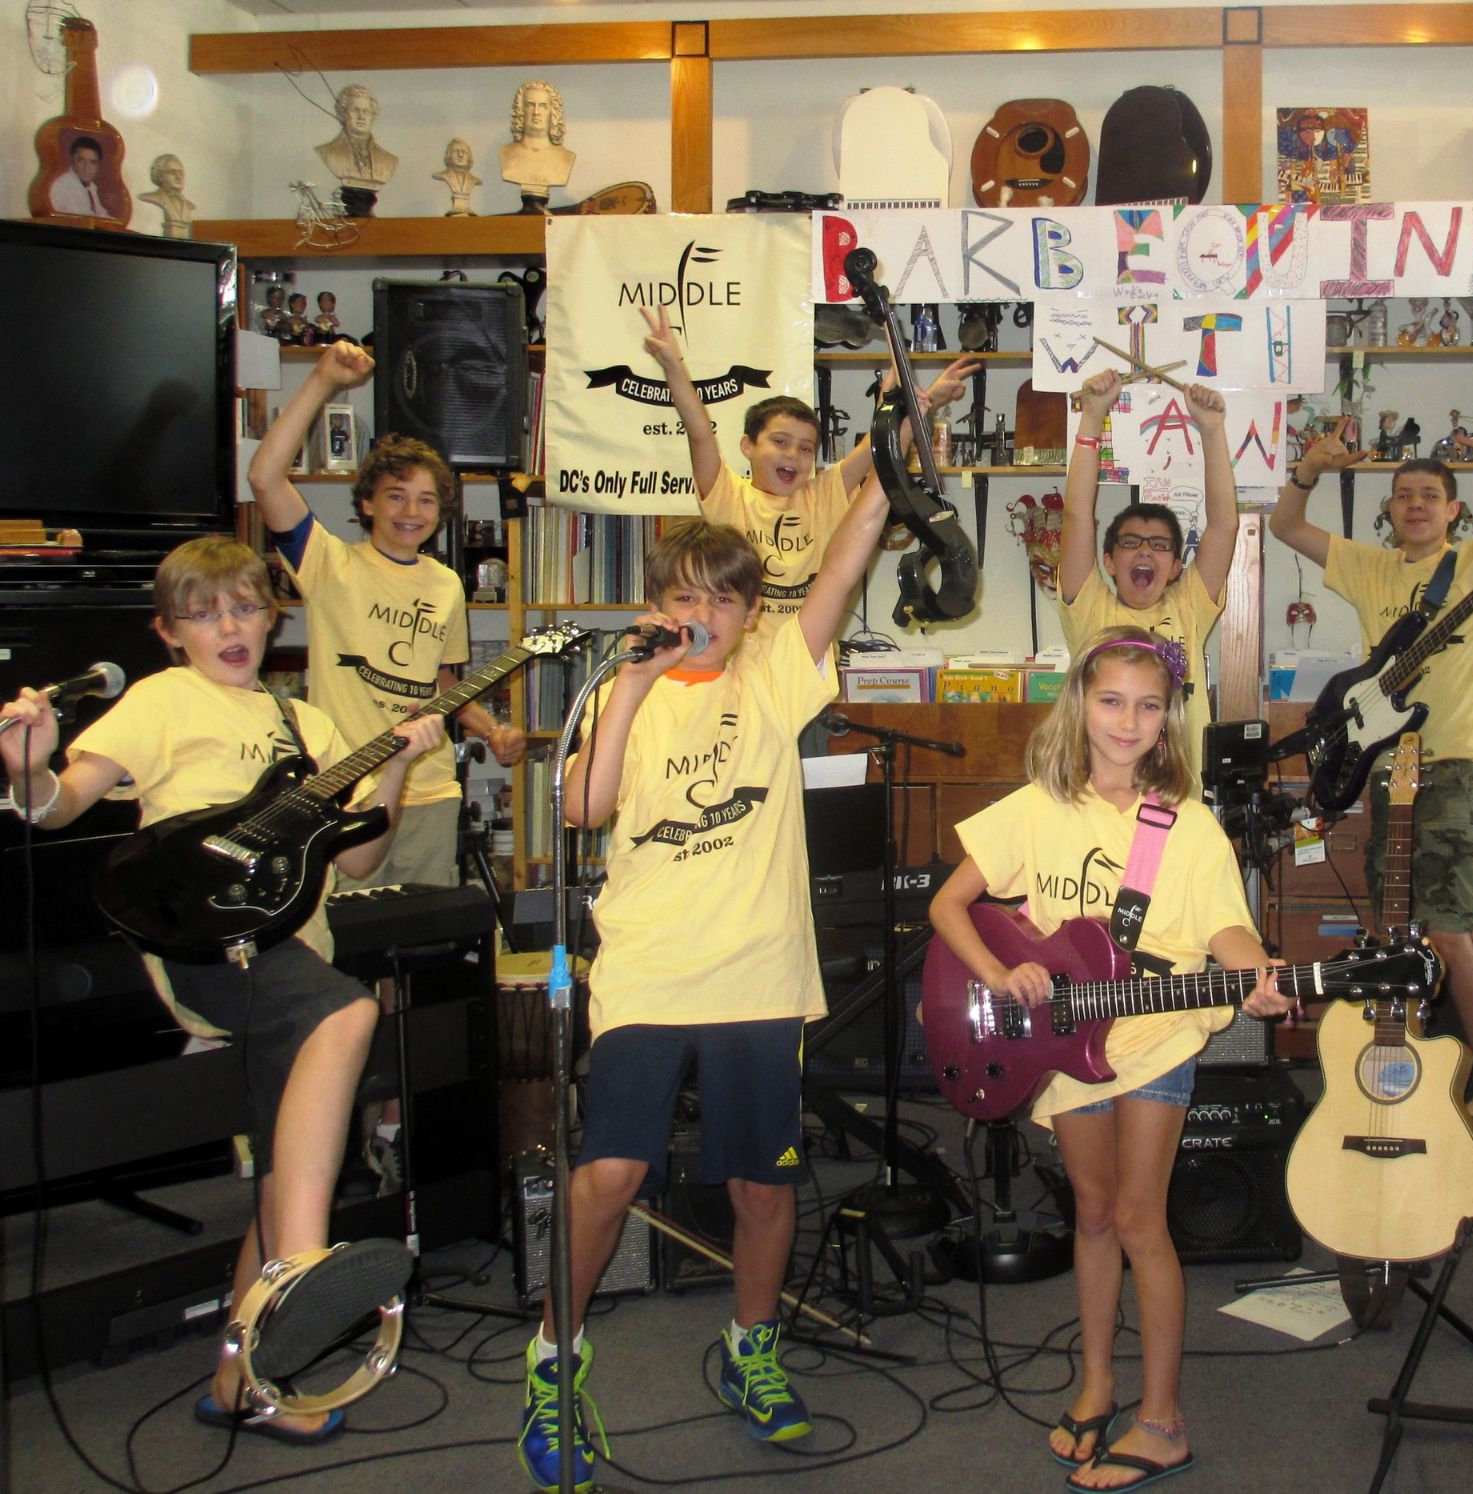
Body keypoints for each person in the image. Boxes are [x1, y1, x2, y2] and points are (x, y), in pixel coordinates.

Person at [0, 536, 449, 1443]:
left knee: (285, 1167)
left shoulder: (311, 729)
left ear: (271, 616)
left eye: (244, 608)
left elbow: (359, 856)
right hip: (212, 946)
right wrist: (29, 762)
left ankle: (241, 1384)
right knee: (351, 1008)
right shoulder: (158, 701)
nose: (229, 628)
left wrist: (395, 766)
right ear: (169, 633)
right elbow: (58, 806)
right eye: (203, 615)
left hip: (298, 948)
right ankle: (306, 1263)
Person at [518, 493, 891, 1490]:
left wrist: (888, 468)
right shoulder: (617, 694)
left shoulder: (770, 677)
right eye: (686, 599)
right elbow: (582, 809)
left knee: (762, 1184)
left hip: (757, 973)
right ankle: (554, 1367)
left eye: (726, 603)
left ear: (750, 614)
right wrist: (634, 685)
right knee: (609, 1174)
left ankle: (750, 1348)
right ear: (654, 605)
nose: (706, 618)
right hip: (647, 969)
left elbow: (845, 565)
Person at [927, 626, 1288, 1492]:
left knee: (1137, 1219)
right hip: (1063, 1041)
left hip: (1154, 1035)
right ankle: (1098, 1381)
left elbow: (1226, 926)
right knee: (1090, 1214)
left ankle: (1162, 1422)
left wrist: (1255, 971)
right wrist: (999, 971)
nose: (1127, 722)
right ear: (1082, 706)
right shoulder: (1035, 807)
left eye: (1148, 707)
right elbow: (950, 905)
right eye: (1112, 701)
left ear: (1167, 723)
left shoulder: (1188, 823)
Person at [1269, 414, 1473, 1131]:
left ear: (1453, 509)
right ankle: (1417, 1062)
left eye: (1429, 494)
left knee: (1447, 932)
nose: (1415, 504)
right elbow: (1286, 527)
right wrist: (1310, 467)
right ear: (1389, 510)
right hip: (1387, 769)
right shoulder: (1368, 566)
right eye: (1402, 494)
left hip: (1456, 765)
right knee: (1404, 928)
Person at [249, 339, 523, 1189]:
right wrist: (323, 381)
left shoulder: (445, 585)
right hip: (345, 801)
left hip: (431, 793)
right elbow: (265, 478)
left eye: (429, 500)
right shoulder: (329, 564)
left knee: (416, 967)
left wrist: (488, 724)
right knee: (337, 967)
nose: (413, 510)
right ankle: (328, 1123)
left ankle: (397, 1126)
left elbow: (437, 685)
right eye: (396, 496)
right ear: (365, 502)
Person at [640, 303, 976, 647]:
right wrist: (673, 367)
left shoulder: (823, 493)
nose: (793, 455)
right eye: (780, 442)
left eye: (805, 448)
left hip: (807, 676)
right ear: (747, 446)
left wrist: (926, 400)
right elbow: (698, 433)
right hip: (742, 677)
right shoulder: (730, 497)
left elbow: (881, 450)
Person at [1058, 370, 1240, 780]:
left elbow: (1225, 525)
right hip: (1098, 792)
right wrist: (1092, 416)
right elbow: (1076, 515)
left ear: (1177, 566)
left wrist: (1211, 429)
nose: (1144, 550)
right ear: (1108, 561)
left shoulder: (1190, 604)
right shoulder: (1088, 609)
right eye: (1130, 542)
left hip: (1179, 794)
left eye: (1159, 546)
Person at [501, 80, 576, 201]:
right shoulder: (506, 153)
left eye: (543, 106)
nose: (536, 112)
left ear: (552, 112)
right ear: (521, 110)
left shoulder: (565, 157)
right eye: (530, 105)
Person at [315, 84, 398, 192]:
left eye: (366, 111)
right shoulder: (326, 152)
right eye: (355, 110)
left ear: (373, 116)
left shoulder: (389, 160)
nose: (361, 116)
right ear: (342, 113)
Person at [47, 134, 111, 217]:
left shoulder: (91, 187)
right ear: (73, 161)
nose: (87, 167)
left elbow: (101, 215)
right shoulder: (62, 186)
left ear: (98, 165)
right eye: (81, 160)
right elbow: (85, 219)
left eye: (92, 162)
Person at [139, 152, 195, 238]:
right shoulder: (151, 198)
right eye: (173, 172)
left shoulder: (189, 205)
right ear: (161, 176)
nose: (178, 176)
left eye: (181, 172)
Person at [435, 138, 480, 216]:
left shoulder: (474, 180)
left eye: (464, 152)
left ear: (469, 157)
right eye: (456, 151)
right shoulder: (443, 176)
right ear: (449, 156)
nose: (460, 155)